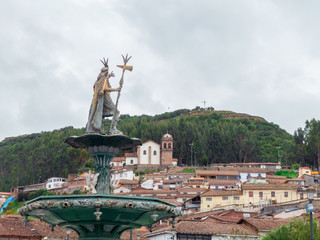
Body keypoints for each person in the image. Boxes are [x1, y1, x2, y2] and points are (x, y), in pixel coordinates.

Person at [86, 59, 122, 135]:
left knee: (102, 114)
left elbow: (104, 83)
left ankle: (99, 129)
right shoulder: (103, 79)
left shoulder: (99, 80)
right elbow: (105, 89)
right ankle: (113, 129)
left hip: (101, 102)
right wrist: (116, 89)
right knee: (116, 112)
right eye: (107, 72)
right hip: (106, 99)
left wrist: (109, 75)